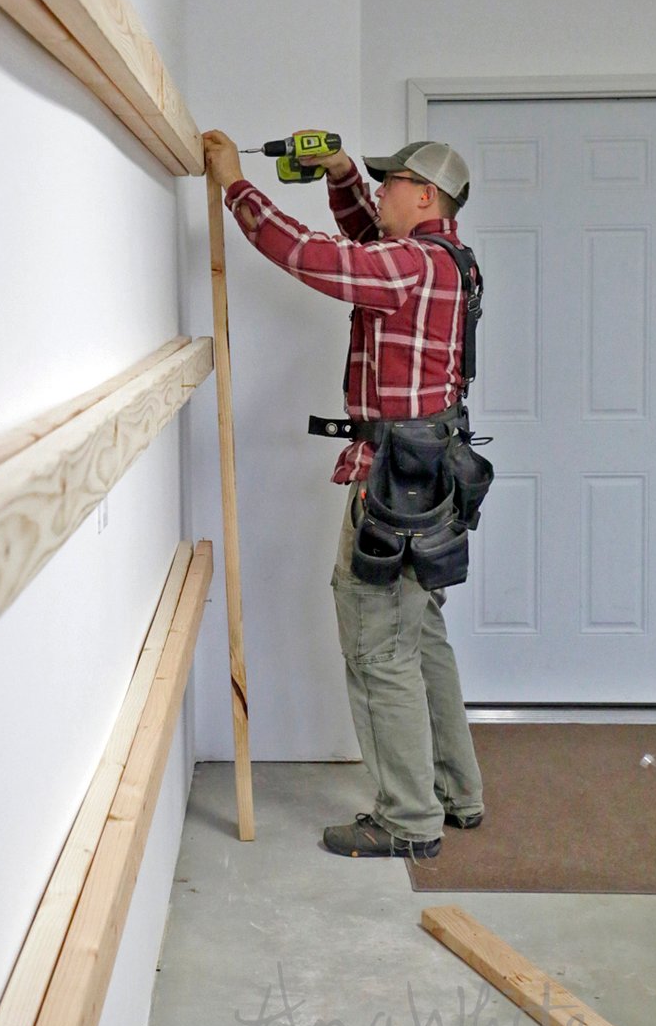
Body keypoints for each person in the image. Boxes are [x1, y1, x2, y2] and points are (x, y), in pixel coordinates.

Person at [203, 129, 485, 860]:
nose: (381, 189)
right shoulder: (448, 259)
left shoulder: (408, 267)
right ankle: (458, 794)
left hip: (393, 482)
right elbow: (366, 240)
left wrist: (238, 187)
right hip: (432, 476)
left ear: (424, 196)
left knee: (376, 644)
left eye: (392, 182)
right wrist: (341, 177)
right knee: (419, 638)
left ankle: (408, 819)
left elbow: (324, 260)